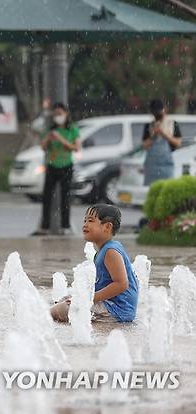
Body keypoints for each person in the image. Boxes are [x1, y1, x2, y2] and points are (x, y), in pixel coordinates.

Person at [50, 204, 139, 323]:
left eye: (90, 221)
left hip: (117, 310)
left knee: (61, 310)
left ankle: (40, 318)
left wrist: (89, 299)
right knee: (66, 298)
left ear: (107, 227)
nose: (85, 224)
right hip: (110, 304)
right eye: (85, 220)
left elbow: (122, 284)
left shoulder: (111, 252)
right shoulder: (104, 250)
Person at [34, 103, 81, 236]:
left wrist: (61, 139)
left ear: (66, 114)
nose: (58, 116)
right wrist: (49, 137)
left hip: (66, 165)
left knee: (65, 197)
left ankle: (65, 226)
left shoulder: (72, 129)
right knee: (47, 196)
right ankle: (45, 226)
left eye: (60, 113)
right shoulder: (50, 130)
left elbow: (76, 147)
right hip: (52, 165)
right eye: (55, 114)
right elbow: (42, 147)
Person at [143, 99, 182, 186]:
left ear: (164, 110)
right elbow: (145, 145)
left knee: (167, 187)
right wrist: (153, 136)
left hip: (166, 165)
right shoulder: (149, 125)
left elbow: (178, 143)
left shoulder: (172, 124)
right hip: (152, 166)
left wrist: (162, 133)